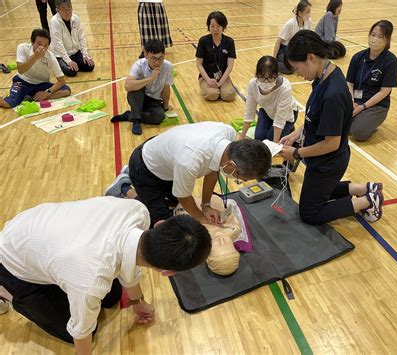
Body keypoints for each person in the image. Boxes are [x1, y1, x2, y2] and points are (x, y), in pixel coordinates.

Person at [0, 197, 211, 355]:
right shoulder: (90, 280)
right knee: (78, 332)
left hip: (39, 225)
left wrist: (138, 302)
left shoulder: (137, 210)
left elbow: (132, 253)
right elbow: (81, 331)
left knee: (111, 297)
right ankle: (6, 292)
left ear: (160, 224)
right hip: (12, 259)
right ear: (167, 272)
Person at [279, 30, 384, 225]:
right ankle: (363, 188)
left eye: (297, 67)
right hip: (321, 159)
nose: (297, 73)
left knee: (309, 213)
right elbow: (315, 117)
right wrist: (297, 132)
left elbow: (331, 143)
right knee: (318, 194)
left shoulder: (333, 94)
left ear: (310, 58)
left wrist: (296, 153)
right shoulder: (323, 76)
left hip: (328, 161)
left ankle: (367, 200)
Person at [105, 122, 272, 227]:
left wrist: (206, 205)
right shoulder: (189, 161)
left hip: (166, 156)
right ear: (231, 165)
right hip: (146, 167)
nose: (238, 180)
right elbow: (185, 197)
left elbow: (213, 170)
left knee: (174, 204)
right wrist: (201, 218)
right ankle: (125, 187)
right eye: (240, 178)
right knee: (161, 222)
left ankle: (133, 178)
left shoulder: (228, 135)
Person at [346, 20, 397, 141]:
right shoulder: (358, 57)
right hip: (355, 101)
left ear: (387, 40)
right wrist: (350, 101)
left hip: (376, 105)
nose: (374, 39)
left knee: (358, 133)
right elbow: (349, 83)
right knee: (330, 118)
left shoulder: (391, 62)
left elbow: (384, 91)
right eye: (373, 34)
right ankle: (360, 120)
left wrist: (362, 107)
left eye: (380, 36)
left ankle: (368, 122)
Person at [110, 39, 173, 135]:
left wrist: (165, 106)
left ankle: (129, 115)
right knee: (136, 89)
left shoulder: (168, 66)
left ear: (164, 55)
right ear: (146, 55)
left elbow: (166, 87)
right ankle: (136, 121)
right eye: (153, 58)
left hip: (154, 100)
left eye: (160, 58)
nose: (157, 62)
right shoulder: (139, 65)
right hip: (138, 97)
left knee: (159, 116)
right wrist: (150, 79)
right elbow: (127, 86)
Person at [0, 29, 71, 109]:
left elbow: (61, 81)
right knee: (9, 104)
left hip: (41, 84)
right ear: (32, 42)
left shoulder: (50, 56)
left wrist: (47, 92)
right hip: (23, 82)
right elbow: (20, 70)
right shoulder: (22, 48)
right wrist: (35, 57)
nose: (43, 48)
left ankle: (31, 97)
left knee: (66, 90)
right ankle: (22, 96)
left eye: (46, 45)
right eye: (39, 44)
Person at [239, 56, 298, 143]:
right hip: (268, 112)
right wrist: (242, 136)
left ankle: (290, 128)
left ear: (277, 76)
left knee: (269, 141)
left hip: (287, 116)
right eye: (262, 77)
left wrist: (274, 146)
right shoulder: (252, 84)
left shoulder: (285, 88)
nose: (266, 82)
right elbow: (249, 112)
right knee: (259, 138)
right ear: (256, 75)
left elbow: (280, 120)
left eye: (270, 78)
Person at [196, 11, 236, 101]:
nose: (215, 29)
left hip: (223, 77)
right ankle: (208, 87)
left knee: (229, 95)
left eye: (218, 26)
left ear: (224, 27)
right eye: (212, 26)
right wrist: (208, 80)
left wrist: (220, 83)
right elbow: (199, 64)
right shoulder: (203, 41)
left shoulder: (229, 42)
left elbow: (230, 65)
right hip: (206, 77)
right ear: (208, 27)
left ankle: (222, 89)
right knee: (212, 95)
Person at [49, 0, 95, 77]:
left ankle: (75, 64)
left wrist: (85, 55)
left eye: (69, 8)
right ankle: (59, 63)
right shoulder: (54, 22)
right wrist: (68, 61)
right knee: (71, 72)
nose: (68, 12)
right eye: (64, 9)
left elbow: (82, 37)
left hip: (75, 53)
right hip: (60, 55)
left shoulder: (76, 19)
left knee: (90, 66)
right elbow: (58, 44)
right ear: (57, 10)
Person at [273, 1, 312, 74]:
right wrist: (273, 59)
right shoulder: (290, 24)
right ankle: (273, 64)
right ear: (300, 13)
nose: (309, 15)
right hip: (285, 51)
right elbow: (278, 41)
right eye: (307, 12)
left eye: (310, 12)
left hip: (297, 51)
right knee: (290, 68)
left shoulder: (308, 21)